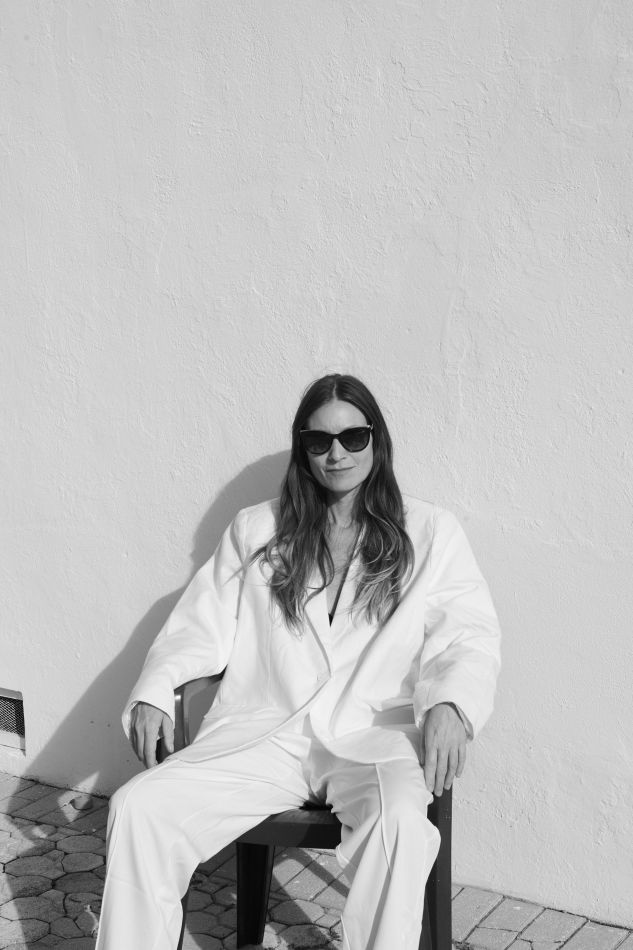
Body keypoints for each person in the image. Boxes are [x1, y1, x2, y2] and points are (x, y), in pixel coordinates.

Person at [95, 373, 501, 950]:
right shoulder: (257, 529)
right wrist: (156, 688)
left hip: (372, 736)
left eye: (353, 437)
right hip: (267, 733)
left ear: (376, 440)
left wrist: (453, 704)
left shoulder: (431, 532)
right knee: (139, 806)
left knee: (400, 824)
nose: (337, 454)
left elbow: (468, 634)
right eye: (319, 441)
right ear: (302, 448)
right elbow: (199, 625)